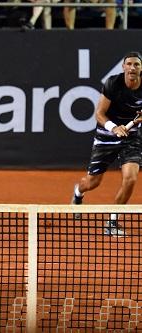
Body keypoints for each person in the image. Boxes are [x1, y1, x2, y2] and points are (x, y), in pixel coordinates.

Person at [71, 51, 142, 236]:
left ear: (141, 69)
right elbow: (99, 114)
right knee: (93, 182)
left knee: (131, 178)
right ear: (124, 67)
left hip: (131, 137)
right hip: (106, 136)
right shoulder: (113, 83)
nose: (133, 68)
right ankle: (78, 192)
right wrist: (114, 128)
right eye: (129, 64)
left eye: (137, 64)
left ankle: (111, 223)